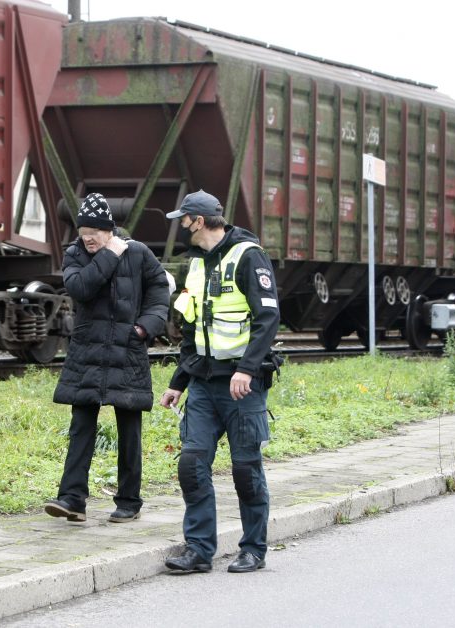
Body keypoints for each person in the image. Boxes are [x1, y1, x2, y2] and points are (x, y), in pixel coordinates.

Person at [159, 190, 281, 574]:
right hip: (204, 385)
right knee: (192, 464)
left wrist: (246, 369)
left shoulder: (248, 256)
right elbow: (194, 330)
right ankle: (198, 550)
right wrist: (178, 381)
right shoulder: (197, 264)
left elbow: (268, 319)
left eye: (183, 219)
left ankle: (253, 549)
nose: (180, 226)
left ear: (198, 220)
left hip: (242, 385)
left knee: (246, 470)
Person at [46, 192, 170, 523]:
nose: (87, 238)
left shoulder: (140, 253)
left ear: (109, 230)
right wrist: (110, 255)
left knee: (129, 430)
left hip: (127, 352)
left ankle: (129, 501)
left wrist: (145, 328)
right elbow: (81, 289)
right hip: (88, 353)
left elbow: (160, 290)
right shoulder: (75, 254)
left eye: (94, 233)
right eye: (83, 232)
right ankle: (72, 499)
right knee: (81, 426)